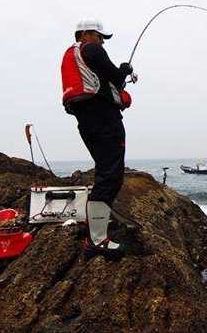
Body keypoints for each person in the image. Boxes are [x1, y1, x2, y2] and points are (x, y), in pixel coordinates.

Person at [60, 19, 134, 254]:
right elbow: (114, 75)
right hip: (104, 120)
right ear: (85, 34)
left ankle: (95, 227)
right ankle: (97, 240)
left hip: (86, 121)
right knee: (111, 176)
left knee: (105, 172)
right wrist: (124, 70)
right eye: (100, 35)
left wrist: (119, 96)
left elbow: (101, 83)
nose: (102, 41)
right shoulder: (90, 48)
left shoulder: (70, 56)